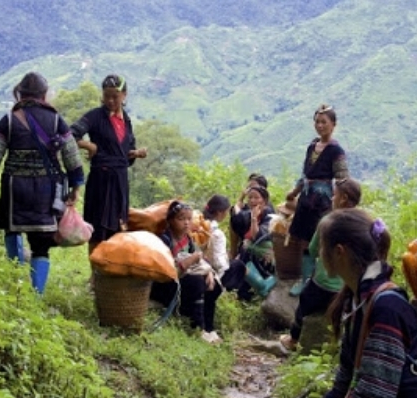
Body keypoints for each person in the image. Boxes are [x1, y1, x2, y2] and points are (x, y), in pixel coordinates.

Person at [289, 209, 417, 398]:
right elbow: (348, 371)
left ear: (339, 252)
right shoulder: (357, 298)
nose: (319, 255)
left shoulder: (386, 306)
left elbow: (377, 392)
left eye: (322, 247)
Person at [0, 72, 85, 295]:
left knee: (13, 230)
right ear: (44, 95)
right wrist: (76, 186)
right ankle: (36, 296)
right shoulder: (55, 120)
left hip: (15, 188)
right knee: (41, 244)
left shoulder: (10, 120)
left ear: (21, 94)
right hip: (46, 190)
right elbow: (71, 154)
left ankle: (15, 286)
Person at [70, 74, 148, 258]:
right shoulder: (95, 117)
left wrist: (136, 153)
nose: (111, 100)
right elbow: (69, 134)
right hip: (100, 180)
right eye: (107, 96)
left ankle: (111, 271)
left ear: (124, 95)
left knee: (119, 225)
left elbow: (127, 152)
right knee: (97, 226)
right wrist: (89, 145)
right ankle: (95, 273)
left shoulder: (126, 121)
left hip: (120, 181)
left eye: (115, 96)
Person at [280, 178, 361, 352]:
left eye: (334, 196)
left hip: (323, 284)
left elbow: (313, 248)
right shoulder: (363, 223)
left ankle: (293, 338)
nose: (332, 199)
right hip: (348, 287)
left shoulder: (328, 222)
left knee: (304, 303)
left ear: (343, 198)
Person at [286, 104, 349, 297]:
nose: (320, 125)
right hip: (306, 199)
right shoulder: (312, 146)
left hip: (322, 202)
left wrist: (340, 204)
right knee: (304, 240)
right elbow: (305, 174)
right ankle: (304, 280)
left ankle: (318, 280)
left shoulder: (336, 150)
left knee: (319, 240)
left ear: (333, 125)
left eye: (324, 122)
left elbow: (342, 179)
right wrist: (294, 192)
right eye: (317, 122)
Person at [152, 201, 222, 344]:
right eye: (181, 219)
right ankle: (198, 327)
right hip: (166, 284)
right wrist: (193, 259)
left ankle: (209, 327)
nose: (186, 223)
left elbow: (201, 261)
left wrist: (208, 272)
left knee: (213, 284)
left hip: (184, 279)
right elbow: (168, 270)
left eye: (189, 219)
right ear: (171, 221)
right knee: (196, 282)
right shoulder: (164, 240)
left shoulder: (188, 239)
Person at [230, 185, 276, 300]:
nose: (252, 200)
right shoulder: (249, 212)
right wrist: (241, 198)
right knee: (244, 250)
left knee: (245, 249)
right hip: (250, 251)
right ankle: (241, 289)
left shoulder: (269, 215)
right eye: (250, 198)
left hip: (265, 255)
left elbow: (257, 236)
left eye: (256, 198)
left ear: (264, 201)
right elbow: (236, 218)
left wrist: (254, 219)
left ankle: (249, 289)